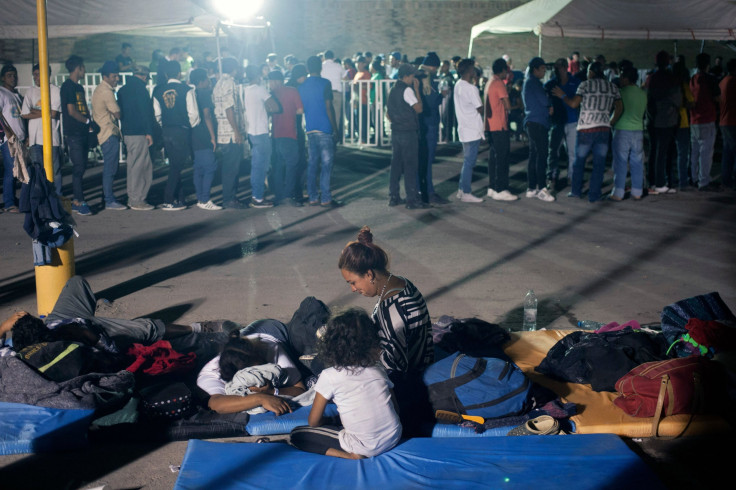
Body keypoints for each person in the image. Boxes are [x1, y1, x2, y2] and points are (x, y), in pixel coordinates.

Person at [338, 226, 433, 436]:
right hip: (416, 368)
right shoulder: (399, 284)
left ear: (369, 274)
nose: (353, 289)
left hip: (408, 386)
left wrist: (357, 349)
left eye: (353, 282)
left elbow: (393, 366)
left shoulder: (393, 310)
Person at [290, 308, 401, 460]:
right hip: (394, 437)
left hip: (365, 446)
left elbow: (313, 421)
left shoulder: (329, 376)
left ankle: (351, 456)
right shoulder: (378, 370)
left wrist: (328, 421)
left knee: (298, 434)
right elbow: (396, 409)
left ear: (331, 346)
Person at [0, 275, 203, 353]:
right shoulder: (65, 349)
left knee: (76, 283)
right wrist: (91, 337)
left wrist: (4, 327)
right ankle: (196, 328)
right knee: (145, 329)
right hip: (93, 330)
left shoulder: (10, 352)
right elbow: (111, 353)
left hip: (60, 319)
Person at [196, 325, 306, 415]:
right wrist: (261, 398)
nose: (264, 368)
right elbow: (216, 404)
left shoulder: (268, 349)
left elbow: (300, 389)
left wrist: (274, 392)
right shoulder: (210, 375)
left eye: (263, 364)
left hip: (272, 330)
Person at [555, 61, 622, 202]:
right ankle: (594, 194)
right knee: (599, 164)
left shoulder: (585, 85)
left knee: (579, 162)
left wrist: (562, 95)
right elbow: (619, 107)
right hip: (604, 129)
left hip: (586, 129)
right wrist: (611, 121)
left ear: (591, 72)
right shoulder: (612, 86)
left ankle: (576, 191)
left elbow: (574, 104)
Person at [152, 60, 200, 210]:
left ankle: (180, 199)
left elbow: (157, 114)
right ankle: (168, 199)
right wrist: (188, 127)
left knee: (175, 164)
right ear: (180, 73)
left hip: (166, 130)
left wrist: (164, 125)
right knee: (176, 167)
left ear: (166, 74)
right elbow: (194, 114)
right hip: (181, 130)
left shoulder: (158, 90)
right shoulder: (187, 89)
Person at [298, 55, 339, 207]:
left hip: (310, 128)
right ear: (320, 67)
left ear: (308, 68)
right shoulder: (325, 83)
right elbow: (329, 107)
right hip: (325, 127)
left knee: (313, 163)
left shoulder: (301, 86)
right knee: (327, 164)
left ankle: (313, 196)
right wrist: (335, 128)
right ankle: (326, 197)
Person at [386, 63, 426, 209]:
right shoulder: (407, 90)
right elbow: (419, 108)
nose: (414, 78)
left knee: (396, 165)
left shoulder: (392, 90)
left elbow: (388, 114)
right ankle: (412, 199)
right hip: (408, 132)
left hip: (396, 131)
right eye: (412, 76)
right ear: (407, 76)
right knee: (410, 165)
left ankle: (394, 196)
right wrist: (416, 90)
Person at [117, 65, 155, 210]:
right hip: (139, 133)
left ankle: (132, 197)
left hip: (127, 132)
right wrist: (149, 132)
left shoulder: (122, 90)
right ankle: (137, 200)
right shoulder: (141, 91)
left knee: (133, 166)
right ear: (144, 76)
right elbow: (145, 114)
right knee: (141, 167)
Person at [21, 64, 62, 196]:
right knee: (38, 172)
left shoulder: (55, 90)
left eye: (39, 74)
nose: (36, 77)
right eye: (35, 74)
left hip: (52, 138)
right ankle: (41, 201)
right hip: (34, 139)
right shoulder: (30, 91)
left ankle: (57, 199)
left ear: (47, 74)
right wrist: (46, 112)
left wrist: (34, 109)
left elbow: (54, 114)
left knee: (55, 172)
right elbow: (24, 114)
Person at [645, 51, 682, 195]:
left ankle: (652, 180)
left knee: (654, 151)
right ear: (668, 62)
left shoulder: (652, 78)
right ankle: (661, 183)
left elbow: (649, 99)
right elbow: (677, 101)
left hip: (652, 120)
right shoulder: (671, 79)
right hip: (667, 120)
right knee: (663, 153)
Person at [92, 60, 127, 210]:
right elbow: (118, 114)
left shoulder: (99, 89)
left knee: (110, 167)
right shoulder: (106, 92)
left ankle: (108, 196)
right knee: (110, 168)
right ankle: (109, 199)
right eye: (114, 76)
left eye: (117, 76)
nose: (117, 79)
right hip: (108, 133)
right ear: (105, 76)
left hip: (104, 133)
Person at [243, 65, 280, 208]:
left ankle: (256, 195)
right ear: (258, 75)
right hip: (261, 131)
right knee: (261, 166)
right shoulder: (260, 90)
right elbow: (275, 107)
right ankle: (258, 197)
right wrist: (266, 111)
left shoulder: (245, 90)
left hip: (251, 131)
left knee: (256, 165)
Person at [60, 55, 92, 215]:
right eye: (83, 67)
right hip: (74, 133)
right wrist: (87, 122)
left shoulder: (79, 88)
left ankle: (77, 200)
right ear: (78, 68)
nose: (85, 71)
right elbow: (71, 111)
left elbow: (83, 108)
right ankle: (78, 201)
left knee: (82, 166)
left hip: (83, 132)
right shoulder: (67, 87)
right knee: (78, 167)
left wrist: (89, 124)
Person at [212, 57, 245, 209]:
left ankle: (229, 197)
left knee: (228, 167)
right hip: (231, 133)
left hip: (222, 131)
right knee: (233, 168)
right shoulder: (230, 83)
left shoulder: (218, 83)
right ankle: (229, 199)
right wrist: (237, 131)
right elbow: (229, 108)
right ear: (234, 69)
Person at [610, 66, 647, 200]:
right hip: (638, 130)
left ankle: (618, 193)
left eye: (621, 76)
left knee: (620, 162)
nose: (619, 79)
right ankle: (637, 192)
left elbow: (617, 110)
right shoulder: (642, 93)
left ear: (626, 78)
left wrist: (610, 122)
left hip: (622, 130)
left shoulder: (620, 92)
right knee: (637, 162)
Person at [268, 69, 304, 206]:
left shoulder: (271, 94)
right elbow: (300, 110)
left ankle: (279, 194)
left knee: (278, 165)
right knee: (291, 165)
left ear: (275, 81)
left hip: (276, 134)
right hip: (290, 133)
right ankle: (288, 195)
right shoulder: (292, 91)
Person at [544, 58, 580, 189]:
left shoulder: (575, 82)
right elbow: (545, 98)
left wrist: (563, 95)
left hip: (572, 121)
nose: (557, 70)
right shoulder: (551, 84)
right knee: (554, 151)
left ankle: (571, 177)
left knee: (572, 152)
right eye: (556, 67)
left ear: (566, 67)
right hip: (557, 123)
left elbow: (578, 102)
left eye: (560, 67)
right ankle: (552, 177)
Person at [485, 58, 518, 202]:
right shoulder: (499, 83)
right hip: (500, 125)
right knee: (503, 158)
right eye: (507, 70)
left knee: (494, 158)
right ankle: (501, 188)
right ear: (503, 70)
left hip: (491, 126)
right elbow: (508, 106)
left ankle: (492, 187)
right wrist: (519, 106)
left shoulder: (490, 82)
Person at [522, 57, 555, 202]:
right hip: (538, 122)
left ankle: (531, 188)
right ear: (535, 69)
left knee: (534, 155)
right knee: (541, 155)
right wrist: (550, 104)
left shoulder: (529, 82)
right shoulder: (534, 83)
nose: (544, 72)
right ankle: (542, 188)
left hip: (532, 122)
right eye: (542, 69)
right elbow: (544, 100)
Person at [418, 52, 448, 205]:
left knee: (421, 160)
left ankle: (419, 190)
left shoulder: (415, 76)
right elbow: (430, 101)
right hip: (429, 123)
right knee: (428, 159)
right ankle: (428, 192)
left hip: (420, 124)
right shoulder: (425, 78)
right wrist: (441, 95)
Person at [454, 58, 485, 203]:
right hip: (473, 129)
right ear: (469, 70)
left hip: (464, 128)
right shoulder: (471, 89)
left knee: (467, 161)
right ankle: (466, 192)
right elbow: (480, 108)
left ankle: (461, 189)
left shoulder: (458, 85)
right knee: (469, 162)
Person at [690, 53, 722, 191]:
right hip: (707, 119)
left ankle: (694, 178)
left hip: (694, 120)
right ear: (708, 64)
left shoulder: (692, 79)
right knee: (706, 153)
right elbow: (718, 98)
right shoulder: (710, 79)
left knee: (695, 151)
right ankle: (704, 181)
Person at [190, 68, 220, 210]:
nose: (209, 81)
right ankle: (205, 199)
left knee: (199, 168)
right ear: (202, 81)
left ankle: (200, 198)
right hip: (204, 133)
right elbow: (207, 115)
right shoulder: (204, 94)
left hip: (193, 133)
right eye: (207, 78)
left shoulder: (192, 93)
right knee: (209, 166)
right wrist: (213, 137)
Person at [0, 64, 25, 213]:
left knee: (18, 171)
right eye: (9, 75)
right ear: (3, 78)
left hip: (20, 138)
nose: (13, 78)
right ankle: (9, 203)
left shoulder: (17, 95)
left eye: (15, 75)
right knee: (11, 170)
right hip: (8, 139)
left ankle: (13, 199)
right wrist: (7, 133)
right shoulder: (1, 93)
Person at [720, 59, 736, 190]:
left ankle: (726, 179)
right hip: (733, 120)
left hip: (724, 120)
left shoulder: (722, 82)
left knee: (727, 151)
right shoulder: (733, 82)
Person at [321, 50, 344, 141]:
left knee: (325, 115)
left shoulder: (321, 66)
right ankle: (335, 137)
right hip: (337, 93)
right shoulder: (338, 66)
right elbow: (346, 77)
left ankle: (326, 137)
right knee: (336, 117)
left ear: (324, 57)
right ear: (333, 57)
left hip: (324, 95)